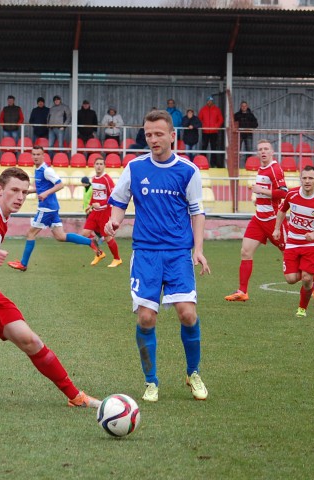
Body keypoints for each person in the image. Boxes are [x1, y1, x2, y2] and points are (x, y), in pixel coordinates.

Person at [0, 166, 101, 410]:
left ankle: (75, 396)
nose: (21, 197)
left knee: (29, 339)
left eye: (24, 192)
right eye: (14, 190)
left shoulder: (4, 218)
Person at [104, 109, 211, 403]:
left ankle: (193, 373)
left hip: (178, 253)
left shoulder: (188, 171)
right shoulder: (135, 168)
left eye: (159, 134)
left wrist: (198, 250)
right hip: (146, 253)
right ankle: (151, 382)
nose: (153, 139)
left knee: (187, 314)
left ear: (172, 136)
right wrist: (114, 222)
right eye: (148, 134)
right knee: (146, 319)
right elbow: (119, 202)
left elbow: (197, 212)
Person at [7, 145, 102, 272]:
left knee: (30, 233)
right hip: (52, 208)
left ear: (43, 155)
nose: (35, 157)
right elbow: (44, 187)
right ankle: (90, 242)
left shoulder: (46, 170)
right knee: (60, 236)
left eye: (38, 154)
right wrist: (31, 191)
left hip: (46, 208)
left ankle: (23, 264)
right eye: (33, 154)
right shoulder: (38, 169)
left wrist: (46, 194)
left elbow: (60, 185)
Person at [225, 139, 288, 302]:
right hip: (259, 219)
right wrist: (259, 197)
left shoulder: (275, 169)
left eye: (266, 149)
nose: (263, 152)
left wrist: (261, 190)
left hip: (274, 220)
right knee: (245, 252)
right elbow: (267, 193)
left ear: (272, 152)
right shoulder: (262, 168)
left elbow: (283, 193)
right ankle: (242, 291)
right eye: (260, 149)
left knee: (290, 255)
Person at [272, 165, 314, 318]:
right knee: (290, 279)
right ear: (300, 179)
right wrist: (277, 229)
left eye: (310, 178)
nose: (307, 181)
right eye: (304, 178)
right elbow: (282, 210)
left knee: (306, 279)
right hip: (292, 241)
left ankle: (301, 309)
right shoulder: (291, 194)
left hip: (312, 244)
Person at [81, 156, 122, 268]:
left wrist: (101, 204)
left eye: (101, 164)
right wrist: (90, 205)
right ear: (94, 165)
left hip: (105, 212)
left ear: (104, 166)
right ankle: (99, 253)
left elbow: (112, 196)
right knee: (85, 234)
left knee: (108, 237)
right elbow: (95, 195)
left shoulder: (107, 179)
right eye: (97, 164)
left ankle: (117, 259)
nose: (98, 166)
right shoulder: (94, 178)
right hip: (95, 212)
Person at [198, 95, 224, 168]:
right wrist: (203, 125)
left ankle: (213, 164)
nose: (209, 102)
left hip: (214, 132)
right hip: (205, 132)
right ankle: (202, 163)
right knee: (204, 147)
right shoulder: (203, 109)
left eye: (211, 101)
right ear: (207, 101)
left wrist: (216, 126)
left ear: (212, 101)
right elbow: (199, 119)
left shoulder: (217, 109)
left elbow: (221, 120)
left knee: (214, 148)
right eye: (208, 101)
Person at [233, 101, 259, 168]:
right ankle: (236, 166)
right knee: (237, 150)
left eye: (245, 106)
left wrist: (248, 127)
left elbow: (256, 124)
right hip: (239, 134)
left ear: (247, 107)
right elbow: (232, 124)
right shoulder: (236, 115)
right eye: (242, 106)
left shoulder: (251, 115)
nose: (244, 107)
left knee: (249, 150)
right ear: (240, 107)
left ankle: (249, 165)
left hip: (248, 134)